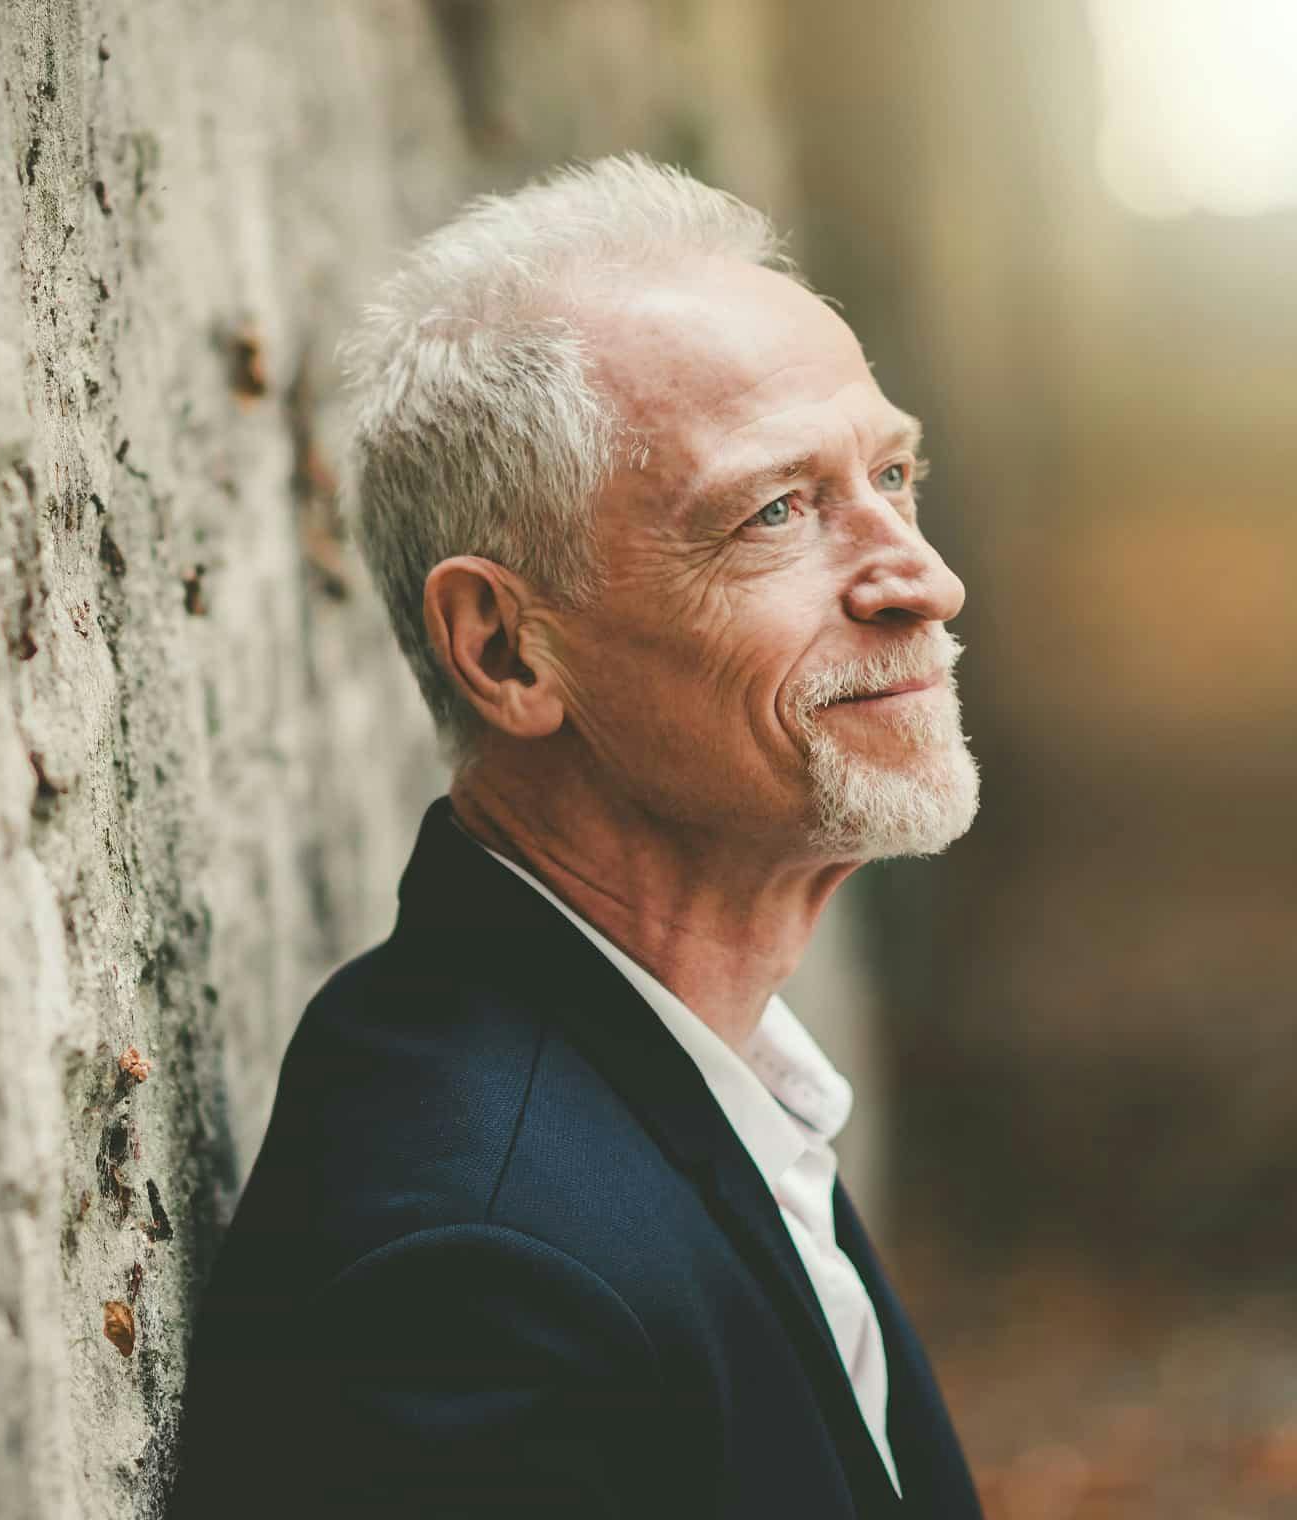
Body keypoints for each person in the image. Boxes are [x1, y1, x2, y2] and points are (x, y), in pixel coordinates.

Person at [172, 155, 983, 1518]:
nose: (922, 580)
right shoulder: (473, 1275)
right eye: (776, 511)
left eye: (891, 474)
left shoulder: (700, 1068)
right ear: (503, 649)